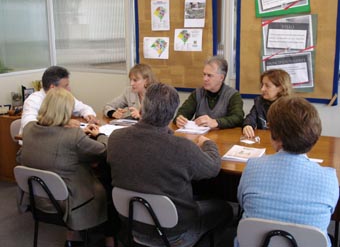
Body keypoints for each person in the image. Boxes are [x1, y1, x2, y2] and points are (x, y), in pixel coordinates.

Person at [107, 83, 234, 247]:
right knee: (224, 209)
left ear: (142, 107)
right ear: (172, 113)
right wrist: (208, 144)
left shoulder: (116, 138)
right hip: (174, 232)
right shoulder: (181, 148)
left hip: (132, 225)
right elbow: (213, 168)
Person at [17, 88, 117, 247]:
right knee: (107, 186)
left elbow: (20, 156)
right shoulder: (73, 136)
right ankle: (108, 239)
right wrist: (99, 135)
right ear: (66, 111)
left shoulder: (28, 129)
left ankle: (73, 237)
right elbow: (103, 151)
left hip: (39, 199)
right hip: (71, 201)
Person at [237, 96, 339, 247]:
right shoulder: (330, 178)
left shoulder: (252, 167)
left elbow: (242, 202)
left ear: (273, 135)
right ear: (314, 136)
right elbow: (328, 213)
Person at [19, 65, 98, 135]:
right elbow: (30, 126)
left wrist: (88, 115)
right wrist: (63, 123)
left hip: (57, 139)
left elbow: (84, 107)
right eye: (65, 86)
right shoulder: (33, 101)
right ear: (53, 87)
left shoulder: (64, 97)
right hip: (36, 142)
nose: (69, 89)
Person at [174, 55, 244, 129]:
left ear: (221, 77)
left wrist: (216, 122)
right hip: (199, 137)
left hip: (222, 137)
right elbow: (182, 113)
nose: (205, 79)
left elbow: (238, 118)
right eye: (204, 74)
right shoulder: (197, 93)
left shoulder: (233, 95)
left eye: (209, 75)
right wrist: (180, 119)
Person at [242, 69, 292, 138]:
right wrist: (247, 125)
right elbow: (250, 118)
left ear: (280, 88)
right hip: (263, 142)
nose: (262, 89)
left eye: (267, 86)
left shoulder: (290, 106)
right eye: (262, 85)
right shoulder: (259, 102)